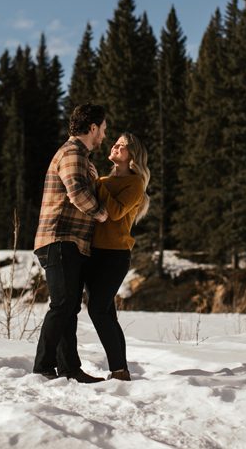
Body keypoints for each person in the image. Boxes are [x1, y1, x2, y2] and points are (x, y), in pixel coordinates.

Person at [32, 103, 109, 383]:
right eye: (102, 129)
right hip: (59, 237)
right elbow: (76, 191)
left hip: (69, 240)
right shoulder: (73, 153)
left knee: (69, 306)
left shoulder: (82, 156)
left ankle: (69, 369)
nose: (104, 135)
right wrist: (101, 214)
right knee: (63, 304)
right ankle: (42, 367)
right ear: (92, 128)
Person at [87, 132, 150, 382]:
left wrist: (97, 183)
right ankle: (119, 370)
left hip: (114, 255)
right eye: (115, 142)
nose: (115, 146)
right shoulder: (103, 179)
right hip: (93, 252)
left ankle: (120, 369)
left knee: (98, 310)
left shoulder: (135, 184)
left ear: (132, 156)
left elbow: (113, 212)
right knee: (106, 312)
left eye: (122, 146)